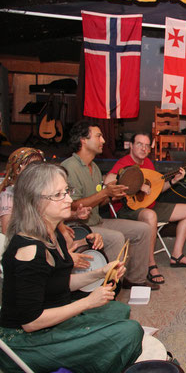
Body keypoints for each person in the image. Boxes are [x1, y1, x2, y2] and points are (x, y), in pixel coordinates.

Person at [0, 163, 143, 373]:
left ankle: (97, 368)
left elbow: (59, 283)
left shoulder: (52, 231)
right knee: (130, 331)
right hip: (24, 342)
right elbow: (31, 322)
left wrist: (100, 273)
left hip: (48, 323)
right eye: (58, 194)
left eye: (67, 191)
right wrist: (87, 303)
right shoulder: (29, 249)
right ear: (36, 202)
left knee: (118, 310)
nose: (68, 199)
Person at [61, 121, 159, 290]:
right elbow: (73, 206)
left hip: (97, 220)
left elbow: (101, 200)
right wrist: (105, 193)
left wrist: (113, 194)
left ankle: (135, 279)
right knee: (116, 238)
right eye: (99, 136)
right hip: (80, 226)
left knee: (143, 229)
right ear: (83, 140)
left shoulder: (95, 168)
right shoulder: (69, 167)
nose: (103, 141)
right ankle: (109, 285)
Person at [105, 132, 186, 285]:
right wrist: (135, 185)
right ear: (131, 146)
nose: (143, 148)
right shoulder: (123, 163)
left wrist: (174, 181)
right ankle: (150, 264)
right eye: (140, 144)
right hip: (127, 210)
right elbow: (108, 182)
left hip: (149, 206)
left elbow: (154, 190)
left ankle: (177, 255)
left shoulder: (148, 163)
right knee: (150, 216)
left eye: (147, 145)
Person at [0, 148, 97, 269]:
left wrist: (74, 216)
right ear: (18, 170)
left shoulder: (43, 192)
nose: (37, 171)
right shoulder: (10, 194)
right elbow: (8, 232)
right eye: (32, 166)